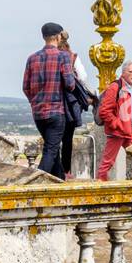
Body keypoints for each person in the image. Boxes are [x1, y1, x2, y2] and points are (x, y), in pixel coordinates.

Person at [22, 22, 76, 179]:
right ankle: (35, 182)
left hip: (38, 113)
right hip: (56, 112)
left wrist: (36, 102)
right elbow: (70, 85)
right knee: (51, 150)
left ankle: (59, 179)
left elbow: (25, 87)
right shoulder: (63, 56)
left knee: (53, 149)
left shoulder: (32, 58)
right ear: (58, 37)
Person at [97, 61, 132, 181]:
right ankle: (99, 185)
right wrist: (116, 124)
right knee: (108, 162)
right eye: (131, 72)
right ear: (123, 72)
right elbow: (104, 111)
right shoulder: (115, 87)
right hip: (118, 131)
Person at [58, 30, 96, 179]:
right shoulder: (72, 57)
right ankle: (66, 171)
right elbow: (83, 77)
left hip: (53, 101)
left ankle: (55, 171)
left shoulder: (51, 56)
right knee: (67, 139)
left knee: (53, 140)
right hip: (70, 102)